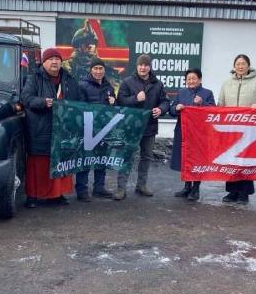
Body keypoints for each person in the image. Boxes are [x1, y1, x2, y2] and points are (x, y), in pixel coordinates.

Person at [21, 47, 79, 208]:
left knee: (59, 162)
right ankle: (33, 196)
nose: (55, 62)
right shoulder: (34, 78)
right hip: (40, 129)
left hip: (62, 130)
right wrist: (42, 102)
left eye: (57, 59)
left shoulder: (69, 79)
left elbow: (77, 101)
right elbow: (26, 98)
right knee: (39, 165)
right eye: (51, 59)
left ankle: (56, 195)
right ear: (44, 62)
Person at [114, 54, 170, 200]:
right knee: (127, 156)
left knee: (146, 157)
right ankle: (121, 188)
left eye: (146, 65)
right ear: (137, 66)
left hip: (149, 127)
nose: (143, 67)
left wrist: (161, 109)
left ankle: (141, 185)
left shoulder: (157, 84)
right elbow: (120, 102)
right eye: (140, 65)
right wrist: (135, 99)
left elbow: (165, 101)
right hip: (131, 127)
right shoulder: (127, 82)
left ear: (149, 67)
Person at [217, 54, 256, 204]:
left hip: (250, 128)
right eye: (238, 64)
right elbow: (220, 104)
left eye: (243, 64)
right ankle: (232, 191)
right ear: (234, 66)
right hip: (231, 128)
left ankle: (244, 193)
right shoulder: (227, 83)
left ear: (248, 66)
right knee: (231, 159)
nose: (240, 66)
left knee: (246, 159)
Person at [169, 68, 215, 201]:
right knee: (185, 158)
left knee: (198, 159)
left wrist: (202, 103)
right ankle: (187, 186)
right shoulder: (181, 92)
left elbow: (214, 111)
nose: (191, 81)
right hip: (183, 131)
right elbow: (172, 110)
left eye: (194, 78)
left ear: (199, 79)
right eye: (188, 79)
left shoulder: (207, 93)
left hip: (200, 133)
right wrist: (176, 108)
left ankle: (196, 188)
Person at [75, 57, 117, 202]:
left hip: (104, 129)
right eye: (96, 68)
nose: (98, 71)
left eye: (101, 69)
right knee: (85, 159)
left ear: (104, 70)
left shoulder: (109, 87)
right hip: (87, 129)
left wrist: (114, 102)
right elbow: (80, 107)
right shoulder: (82, 85)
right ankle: (81, 190)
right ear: (91, 70)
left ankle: (99, 188)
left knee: (102, 159)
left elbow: (113, 110)